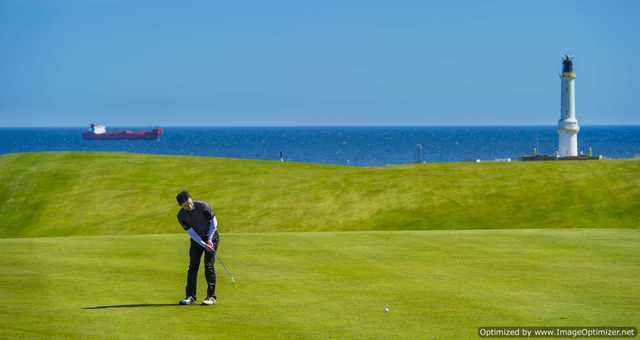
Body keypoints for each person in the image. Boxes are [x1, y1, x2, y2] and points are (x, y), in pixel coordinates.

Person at [175, 190, 219, 305]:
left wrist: (209, 239)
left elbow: (214, 223)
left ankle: (211, 297)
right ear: (181, 206)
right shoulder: (181, 216)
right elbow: (192, 233)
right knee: (193, 267)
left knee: (208, 265)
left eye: (189, 202)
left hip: (211, 235)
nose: (189, 206)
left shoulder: (203, 206)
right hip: (197, 240)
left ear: (191, 199)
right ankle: (190, 296)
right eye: (185, 205)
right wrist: (203, 244)